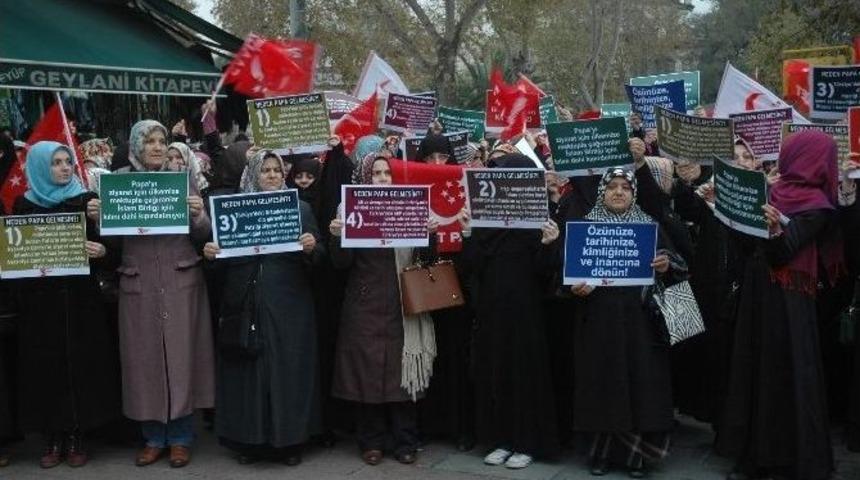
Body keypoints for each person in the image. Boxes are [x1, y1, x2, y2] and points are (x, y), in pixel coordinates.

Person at [717, 130, 842, 480]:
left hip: (789, 301)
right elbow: (745, 246)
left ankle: (788, 457)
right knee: (755, 368)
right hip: (759, 294)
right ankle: (754, 456)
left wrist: (772, 233)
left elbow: (784, 253)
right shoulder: (769, 190)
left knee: (785, 371)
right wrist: (727, 211)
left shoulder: (817, 204)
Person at [89, 120, 214, 468]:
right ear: (137, 146)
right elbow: (112, 242)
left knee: (181, 360)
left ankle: (181, 438)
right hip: (139, 282)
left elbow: (202, 234)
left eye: (162, 141)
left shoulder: (182, 179)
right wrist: (99, 219)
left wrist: (199, 214)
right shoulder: (119, 183)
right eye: (150, 141)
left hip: (180, 281)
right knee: (144, 363)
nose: (158, 147)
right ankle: (153, 437)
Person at [204, 150, 323, 466]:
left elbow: (321, 259)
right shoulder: (233, 210)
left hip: (289, 306)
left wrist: (312, 246)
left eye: (276, 170)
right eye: (265, 170)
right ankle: (249, 442)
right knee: (248, 374)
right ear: (253, 175)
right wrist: (211, 253)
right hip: (244, 302)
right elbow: (218, 267)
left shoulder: (301, 209)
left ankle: (290, 442)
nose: (271, 175)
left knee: (288, 373)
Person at [569, 167, 681, 478]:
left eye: (625, 188)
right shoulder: (585, 226)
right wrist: (574, 288)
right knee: (604, 385)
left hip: (641, 326)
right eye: (612, 187)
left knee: (639, 385)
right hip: (599, 323)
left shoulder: (649, 226)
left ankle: (636, 457)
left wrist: (664, 264)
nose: (619, 192)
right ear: (602, 192)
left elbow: (679, 264)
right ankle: (601, 454)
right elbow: (564, 276)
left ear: (634, 194)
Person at [13, 141, 120, 468]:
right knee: (46, 367)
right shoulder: (23, 206)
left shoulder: (86, 200)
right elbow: (15, 255)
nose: (63, 168)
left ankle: (76, 434)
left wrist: (102, 245)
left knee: (80, 366)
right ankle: (52, 435)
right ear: (41, 168)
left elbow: (113, 250)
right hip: (40, 303)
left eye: (67, 162)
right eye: (56, 163)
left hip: (79, 300)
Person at [328, 153, 437, 466]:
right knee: (367, 373)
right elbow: (341, 264)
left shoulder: (410, 205)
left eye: (387, 173)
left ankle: (405, 440)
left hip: (403, 301)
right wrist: (337, 237)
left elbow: (427, 260)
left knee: (402, 374)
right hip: (364, 303)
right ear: (365, 178)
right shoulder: (348, 208)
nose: (383, 179)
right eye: (376, 173)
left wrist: (430, 233)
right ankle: (370, 441)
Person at [461, 153, 561, 469]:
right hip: (492, 312)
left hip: (527, 314)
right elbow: (473, 266)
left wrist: (548, 244)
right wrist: (468, 235)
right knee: (495, 372)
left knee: (525, 375)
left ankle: (526, 441)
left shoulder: (535, 222)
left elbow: (544, 273)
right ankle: (501, 439)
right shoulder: (486, 224)